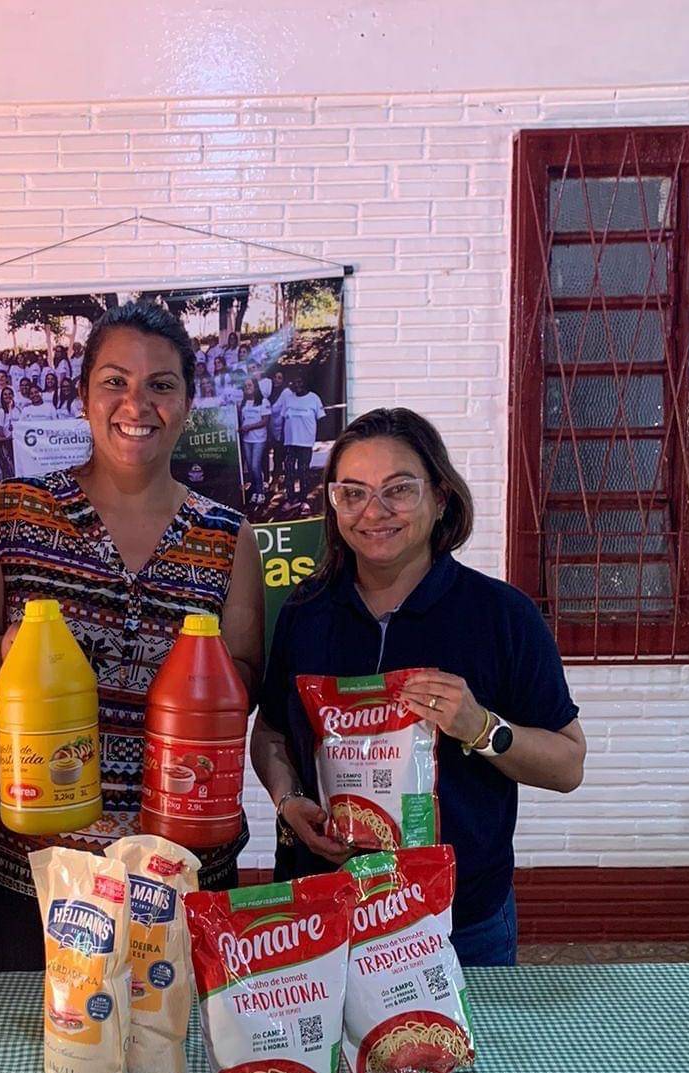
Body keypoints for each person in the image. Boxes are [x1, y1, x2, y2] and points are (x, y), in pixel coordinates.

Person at [0, 302, 265, 971]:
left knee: (173, 1028)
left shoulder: (228, 537)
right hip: (33, 858)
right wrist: (4, 656)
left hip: (180, 855)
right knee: (43, 1028)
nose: (136, 404)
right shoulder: (12, 510)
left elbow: (245, 678)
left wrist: (196, 684)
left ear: (187, 402)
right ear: (84, 394)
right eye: (115, 381)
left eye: (161, 385)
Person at [250, 407, 585, 967]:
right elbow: (271, 732)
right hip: (325, 909)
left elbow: (568, 765)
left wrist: (482, 728)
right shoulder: (306, 611)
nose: (374, 511)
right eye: (352, 493)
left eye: (399, 490)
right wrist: (288, 801)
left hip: (459, 922)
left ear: (441, 497)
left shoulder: (501, 615)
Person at [280, 378, 325, 512]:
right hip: (290, 442)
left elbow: (321, 419)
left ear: (306, 383)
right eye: (295, 383)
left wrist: (315, 439)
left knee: (303, 471)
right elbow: (283, 419)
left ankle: (304, 500)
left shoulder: (314, 398)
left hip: (305, 442)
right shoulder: (288, 399)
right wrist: (281, 438)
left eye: (300, 382)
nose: (297, 385)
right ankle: (290, 499)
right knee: (289, 470)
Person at [238, 378, 271, 506]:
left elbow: (265, 421)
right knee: (250, 467)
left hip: (259, 439)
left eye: (250, 385)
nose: (247, 387)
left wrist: (249, 427)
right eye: (245, 386)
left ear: (255, 387)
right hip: (247, 439)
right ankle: (254, 491)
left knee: (255, 465)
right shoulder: (243, 403)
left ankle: (260, 492)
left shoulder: (264, 401)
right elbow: (242, 420)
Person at [0, 386, 18, 478]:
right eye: (5, 394)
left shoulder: (17, 409)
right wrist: (5, 439)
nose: (8, 396)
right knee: (10, 464)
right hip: (8, 441)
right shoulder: (1, 411)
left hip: (18, 442)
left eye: (10, 394)